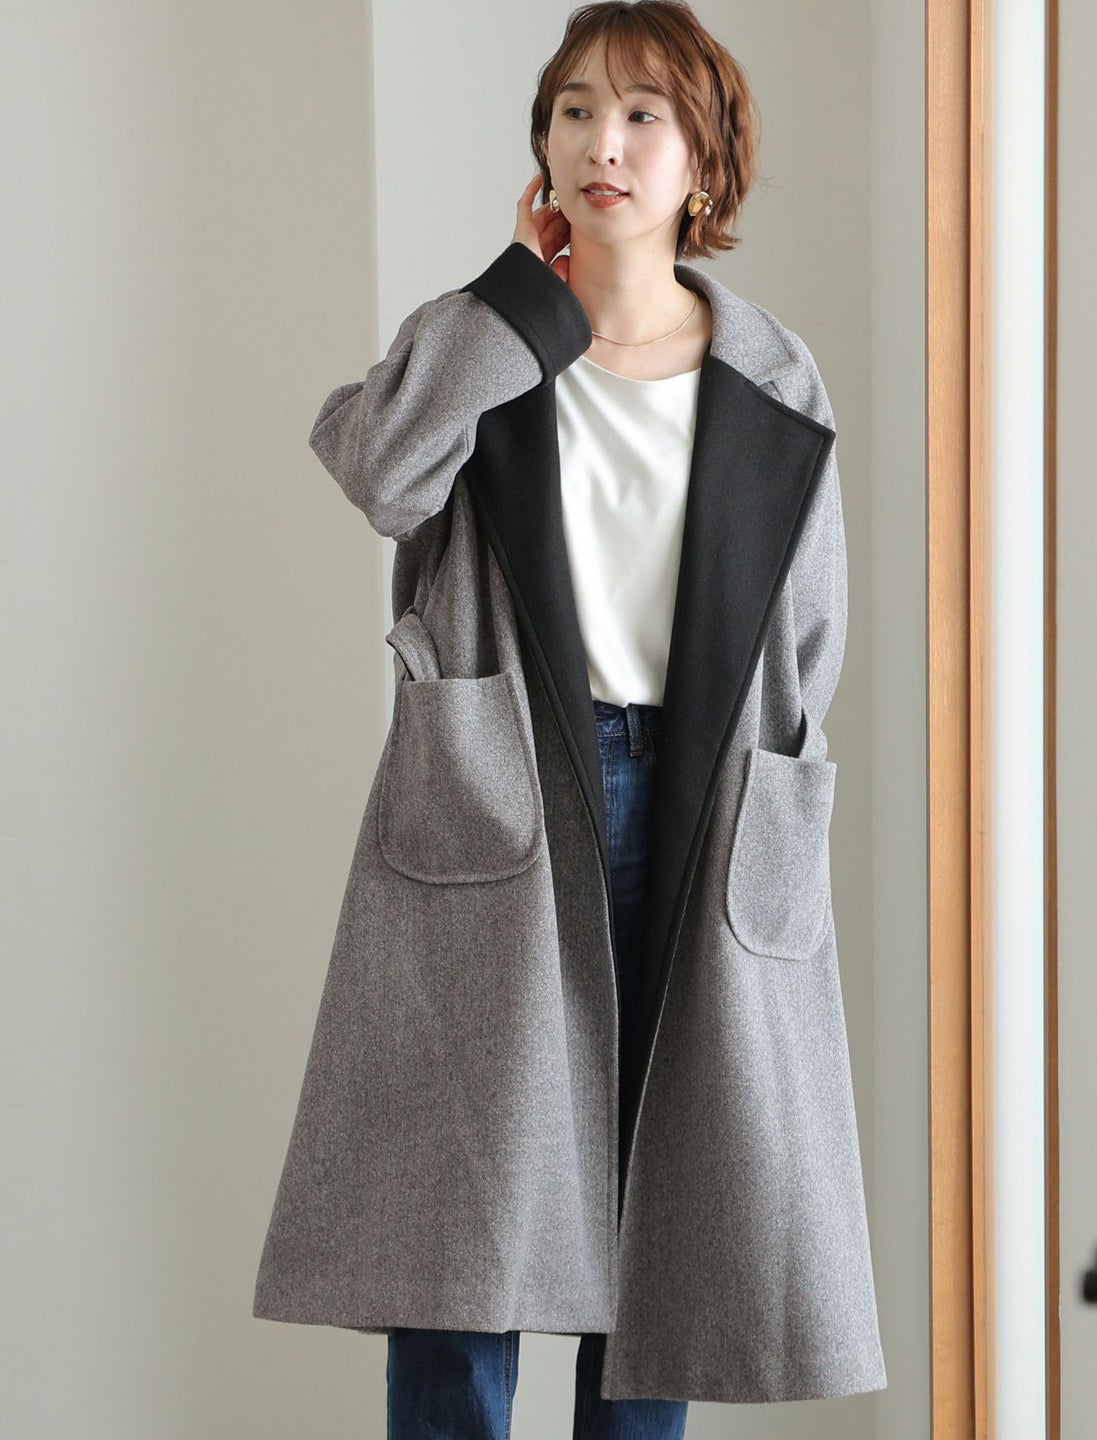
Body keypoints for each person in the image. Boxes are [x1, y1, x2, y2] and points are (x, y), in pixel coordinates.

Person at [254, 0, 888, 1428]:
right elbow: (381, 474)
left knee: (664, 1224)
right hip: (507, 790)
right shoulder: (479, 340)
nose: (603, 141)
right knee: (463, 1231)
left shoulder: (772, 374)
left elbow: (809, 635)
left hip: (702, 799)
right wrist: (517, 309)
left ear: (703, 161)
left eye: (643, 114)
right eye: (575, 110)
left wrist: (778, 794)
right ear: (543, 145)